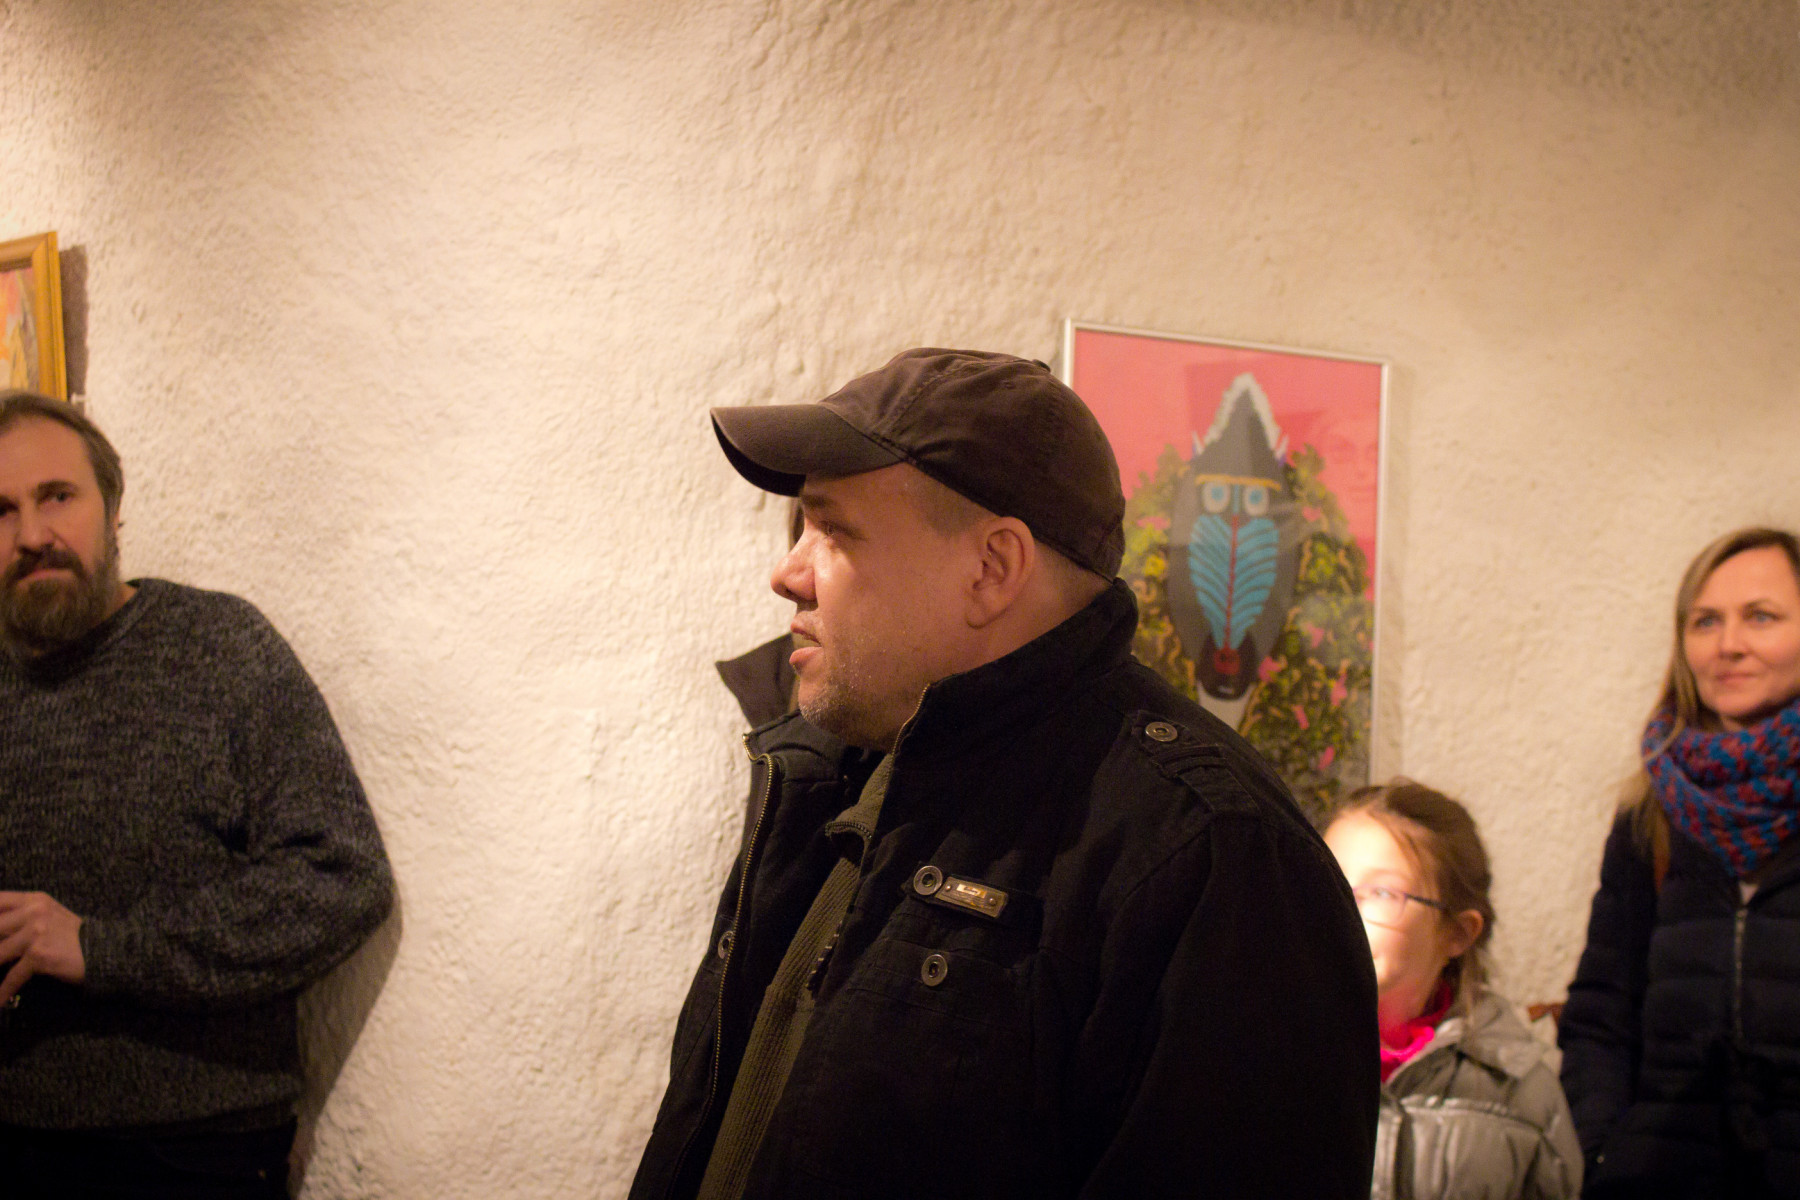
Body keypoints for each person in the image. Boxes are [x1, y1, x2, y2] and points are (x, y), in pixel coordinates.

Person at [630, 348, 1379, 1200]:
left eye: (833, 532)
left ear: (991, 570)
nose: (788, 573)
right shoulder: (829, 772)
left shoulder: (1213, 856)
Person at [0, 390, 394, 1198]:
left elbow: (341, 878)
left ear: (113, 511)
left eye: (58, 497)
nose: (32, 535)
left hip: (192, 1157)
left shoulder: (219, 648)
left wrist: (102, 950)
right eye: (0, 511)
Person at [1560, 527, 1800, 1199]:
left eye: (1761, 616)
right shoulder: (1655, 812)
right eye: (1705, 621)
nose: (1728, 644)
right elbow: (1602, 1013)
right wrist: (1602, 1155)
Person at [1323, 780, 1581, 1199]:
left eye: (1382, 893)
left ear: (1457, 933)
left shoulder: (1518, 1091)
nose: (1342, 909)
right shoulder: (1269, 1057)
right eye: (1328, 882)